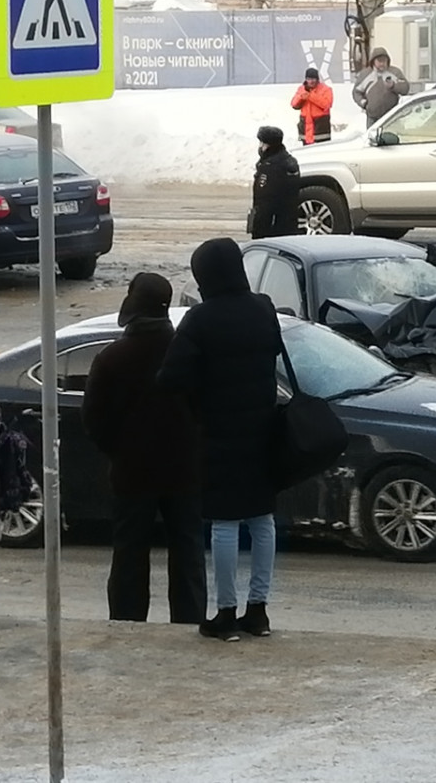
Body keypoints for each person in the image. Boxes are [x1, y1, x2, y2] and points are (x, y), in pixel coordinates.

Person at [158, 237, 284, 642]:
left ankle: (226, 613)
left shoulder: (202, 319)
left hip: (218, 432)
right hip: (264, 430)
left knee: (225, 524)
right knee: (262, 520)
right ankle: (259, 611)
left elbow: (170, 379)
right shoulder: (263, 308)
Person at [81, 272, 206, 624]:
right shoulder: (188, 354)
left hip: (132, 472)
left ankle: (127, 621)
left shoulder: (112, 358)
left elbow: (94, 420)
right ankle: (190, 619)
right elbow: (204, 410)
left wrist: (118, 450)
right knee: (188, 551)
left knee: (129, 554)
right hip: (183, 471)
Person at [249, 126, 300, 240]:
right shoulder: (289, 161)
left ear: (269, 145)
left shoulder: (270, 167)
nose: (260, 147)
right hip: (288, 225)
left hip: (272, 229)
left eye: (262, 143)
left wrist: (258, 233)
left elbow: (264, 203)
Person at [352, 47, 410, 127]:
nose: (382, 63)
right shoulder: (365, 75)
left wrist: (394, 86)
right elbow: (356, 92)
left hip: (392, 117)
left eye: (384, 61)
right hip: (373, 118)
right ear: (373, 61)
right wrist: (364, 103)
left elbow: (405, 88)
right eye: (379, 61)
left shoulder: (395, 72)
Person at [290, 67, 333, 146]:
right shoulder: (301, 89)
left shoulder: (326, 89)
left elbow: (327, 104)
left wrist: (310, 96)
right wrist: (301, 97)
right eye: (309, 79)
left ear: (317, 79)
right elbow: (294, 104)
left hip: (320, 129)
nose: (311, 81)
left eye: (313, 79)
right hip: (305, 129)